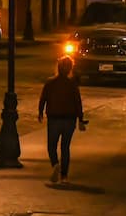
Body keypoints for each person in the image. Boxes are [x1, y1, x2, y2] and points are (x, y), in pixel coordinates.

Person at [38, 55, 85, 184]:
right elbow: (77, 102)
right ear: (70, 68)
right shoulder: (72, 84)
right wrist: (80, 119)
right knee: (65, 147)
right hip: (69, 119)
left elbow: (43, 98)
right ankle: (64, 176)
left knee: (51, 146)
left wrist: (40, 112)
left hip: (54, 118)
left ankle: (55, 164)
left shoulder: (50, 82)